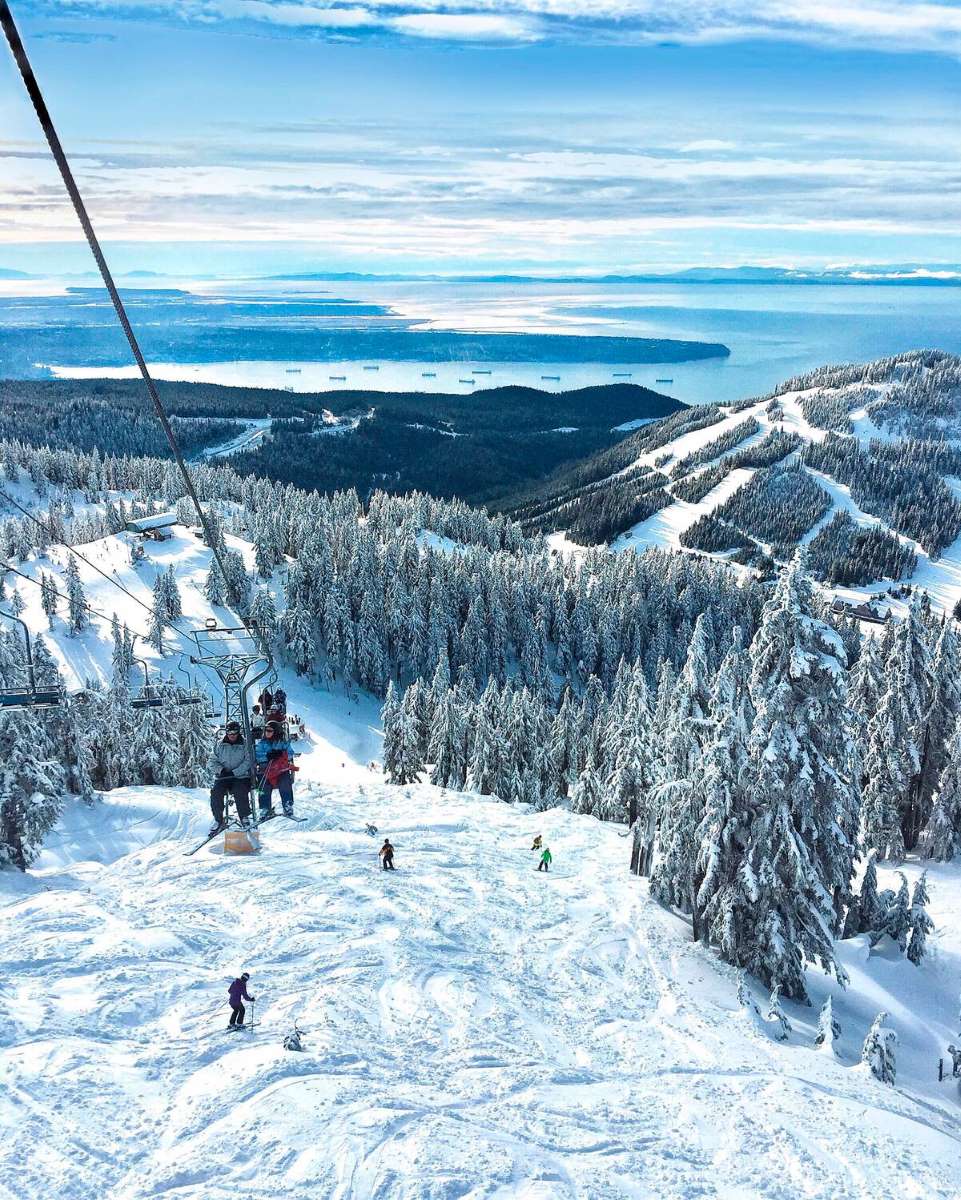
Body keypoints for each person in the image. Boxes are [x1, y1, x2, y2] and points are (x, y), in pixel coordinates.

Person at [209, 721, 252, 834]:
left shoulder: (245, 744)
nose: (232, 735)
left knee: (240, 791)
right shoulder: (219, 744)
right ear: (226, 732)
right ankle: (218, 819)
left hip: (240, 776)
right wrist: (221, 770)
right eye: (230, 732)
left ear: (238, 732)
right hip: (223, 776)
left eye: (235, 732)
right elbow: (212, 761)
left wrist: (235, 772)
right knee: (216, 792)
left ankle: (244, 817)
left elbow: (248, 761)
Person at [255, 720, 298, 818]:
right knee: (263, 784)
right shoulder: (262, 743)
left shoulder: (282, 743)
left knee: (285, 780)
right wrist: (268, 756)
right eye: (266, 730)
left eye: (270, 731)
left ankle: (287, 804)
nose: (267, 733)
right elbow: (258, 756)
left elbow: (290, 753)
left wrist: (281, 754)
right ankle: (265, 807)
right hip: (266, 769)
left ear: (276, 732)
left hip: (279, 769)